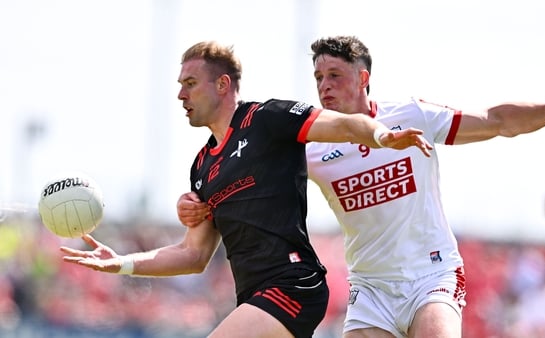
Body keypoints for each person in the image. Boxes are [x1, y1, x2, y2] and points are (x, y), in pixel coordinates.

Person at [60, 40, 433, 338]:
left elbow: (347, 126)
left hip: (293, 285)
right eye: (179, 86)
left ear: (223, 84)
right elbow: (193, 255)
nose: (180, 96)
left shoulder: (267, 119)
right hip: (253, 298)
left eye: (190, 84)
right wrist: (123, 263)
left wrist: (383, 135)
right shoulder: (203, 166)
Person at [302, 36, 545, 338]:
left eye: (334, 75)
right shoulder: (311, 149)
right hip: (371, 290)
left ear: (363, 78)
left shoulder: (410, 116)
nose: (324, 85)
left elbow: (495, 120)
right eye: (319, 77)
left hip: (431, 276)